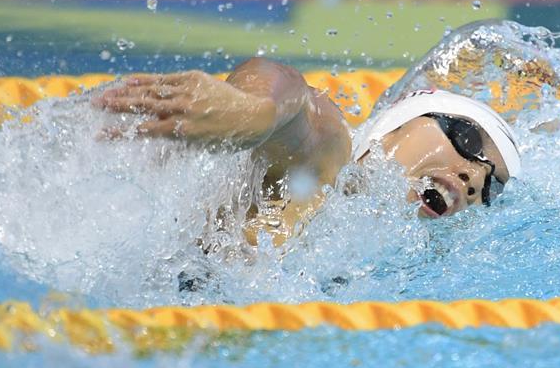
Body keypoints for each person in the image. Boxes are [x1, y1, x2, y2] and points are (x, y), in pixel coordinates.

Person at [92, 57, 521, 246]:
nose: (474, 177)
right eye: (468, 140)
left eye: (493, 186)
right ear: (398, 124)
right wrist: (253, 112)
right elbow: (292, 94)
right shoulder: (330, 161)